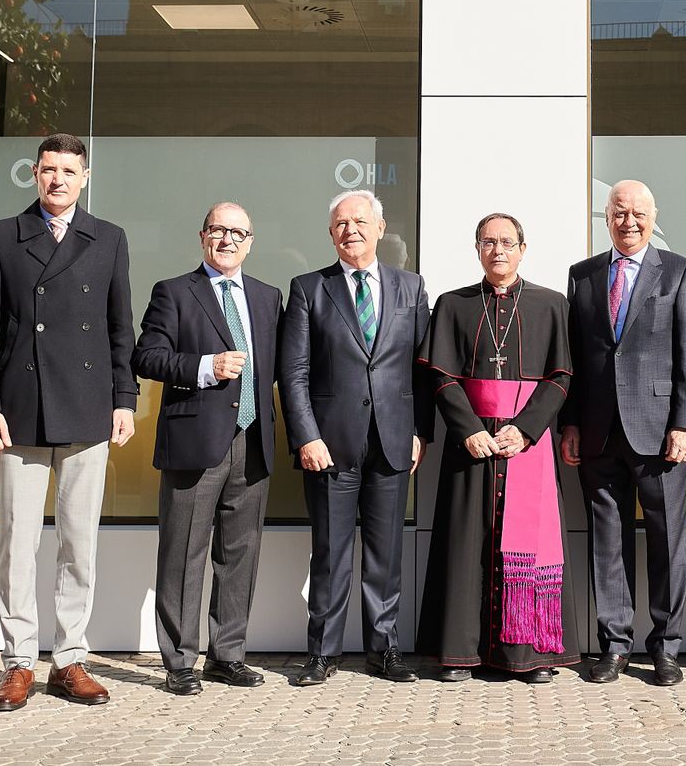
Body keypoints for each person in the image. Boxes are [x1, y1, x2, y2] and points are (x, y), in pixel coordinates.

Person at [0, 132, 137, 712]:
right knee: (16, 540)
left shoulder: (108, 238)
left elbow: (120, 329)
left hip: (87, 406)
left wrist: (125, 398)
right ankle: (18, 662)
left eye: (68, 170)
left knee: (78, 540)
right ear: (34, 175)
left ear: (83, 177)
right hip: (19, 408)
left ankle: (69, 660)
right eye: (48, 169)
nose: (58, 179)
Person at [416, 213, 578, 683]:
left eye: (507, 242)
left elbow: (560, 376)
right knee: (466, 544)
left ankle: (525, 655)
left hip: (525, 444)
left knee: (525, 544)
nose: (498, 250)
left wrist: (527, 429)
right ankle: (459, 653)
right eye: (489, 242)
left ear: (523, 249)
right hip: (472, 441)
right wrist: (467, 428)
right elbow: (441, 376)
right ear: (477, 249)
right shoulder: (454, 304)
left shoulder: (551, 305)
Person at [280, 189, 433, 686]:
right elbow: (295, 372)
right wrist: (306, 436)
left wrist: (420, 432)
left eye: (360, 222)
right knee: (329, 553)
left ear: (380, 228)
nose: (351, 230)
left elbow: (423, 370)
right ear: (331, 234)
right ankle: (322, 652)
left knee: (385, 556)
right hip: (330, 446)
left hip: (392, 442)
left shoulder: (411, 288)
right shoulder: (308, 289)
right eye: (341, 224)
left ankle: (383, 650)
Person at [132, 202, 282, 696]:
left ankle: (228, 655)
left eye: (239, 232)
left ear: (251, 241)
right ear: (202, 237)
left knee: (240, 554)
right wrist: (205, 367)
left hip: (253, 439)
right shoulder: (174, 292)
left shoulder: (266, 297)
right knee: (183, 554)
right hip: (195, 441)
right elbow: (146, 357)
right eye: (219, 230)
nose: (228, 240)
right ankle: (179, 661)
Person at [562, 180, 686, 686]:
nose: (629, 221)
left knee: (668, 542)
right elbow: (574, 358)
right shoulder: (582, 276)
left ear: (654, 216)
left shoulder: (680, 271)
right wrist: (572, 422)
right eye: (619, 213)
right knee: (607, 542)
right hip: (599, 431)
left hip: (660, 431)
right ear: (606, 218)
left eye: (638, 213)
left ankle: (666, 648)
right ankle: (615, 645)